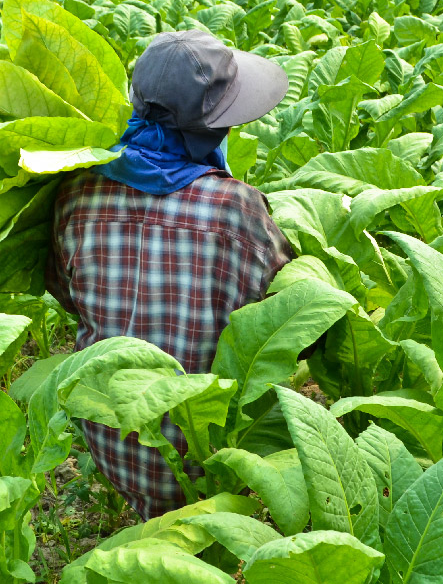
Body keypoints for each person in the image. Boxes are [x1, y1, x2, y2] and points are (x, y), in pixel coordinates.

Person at [45, 30, 293, 521]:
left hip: (111, 435)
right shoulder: (237, 207)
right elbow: (282, 312)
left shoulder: (74, 192)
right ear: (213, 128)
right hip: (206, 450)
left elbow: (68, 293)